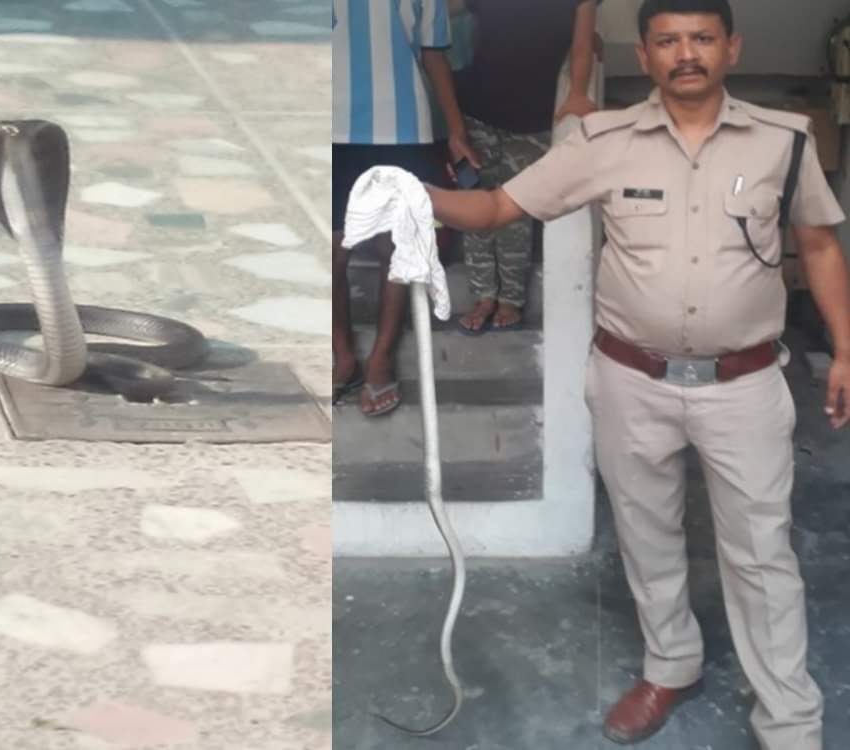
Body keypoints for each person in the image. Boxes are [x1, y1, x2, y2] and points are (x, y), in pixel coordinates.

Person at [424, 0, 850, 747]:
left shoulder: (784, 142)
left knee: (762, 553)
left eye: (702, 38)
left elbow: (816, 247)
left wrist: (845, 350)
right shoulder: (603, 141)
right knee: (646, 537)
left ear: (732, 48)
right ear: (646, 56)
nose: (687, 53)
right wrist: (407, 193)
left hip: (745, 386)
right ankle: (671, 664)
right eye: (668, 41)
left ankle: (789, 718)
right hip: (631, 382)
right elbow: (496, 207)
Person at [332, 0, 478, 417]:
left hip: (403, 126)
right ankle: (342, 354)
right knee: (329, 254)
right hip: (326, 125)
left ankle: (381, 356)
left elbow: (434, 54)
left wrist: (455, 130)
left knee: (394, 250)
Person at [450, 0, 600, 334]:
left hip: (533, 117)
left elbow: (582, 45)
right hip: (477, 111)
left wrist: (577, 92)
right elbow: (444, 13)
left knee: (516, 212)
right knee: (475, 199)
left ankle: (510, 300)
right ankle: (483, 295)